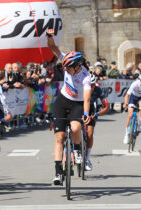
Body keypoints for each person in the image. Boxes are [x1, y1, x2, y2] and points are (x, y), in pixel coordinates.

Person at [46, 29, 91, 185]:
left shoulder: (86, 77)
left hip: (77, 104)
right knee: (59, 138)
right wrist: (49, 36)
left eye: (68, 69)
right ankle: (58, 172)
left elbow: (86, 98)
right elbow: (53, 48)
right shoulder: (67, 60)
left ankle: (77, 148)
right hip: (63, 100)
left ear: (77, 66)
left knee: (76, 128)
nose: (66, 71)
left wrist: (85, 113)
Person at [86, 74, 109, 171]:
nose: (90, 88)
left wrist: (97, 114)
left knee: (90, 134)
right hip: (79, 108)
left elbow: (106, 106)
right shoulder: (79, 88)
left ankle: (87, 159)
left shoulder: (98, 90)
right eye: (88, 85)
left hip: (91, 110)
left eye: (92, 86)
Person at [122, 72, 141, 144]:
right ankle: (126, 134)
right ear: (140, 80)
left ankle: (140, 125)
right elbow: (127, 95)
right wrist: (125, 103)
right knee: (130, 115)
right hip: (133, 96)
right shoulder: (135, 83)